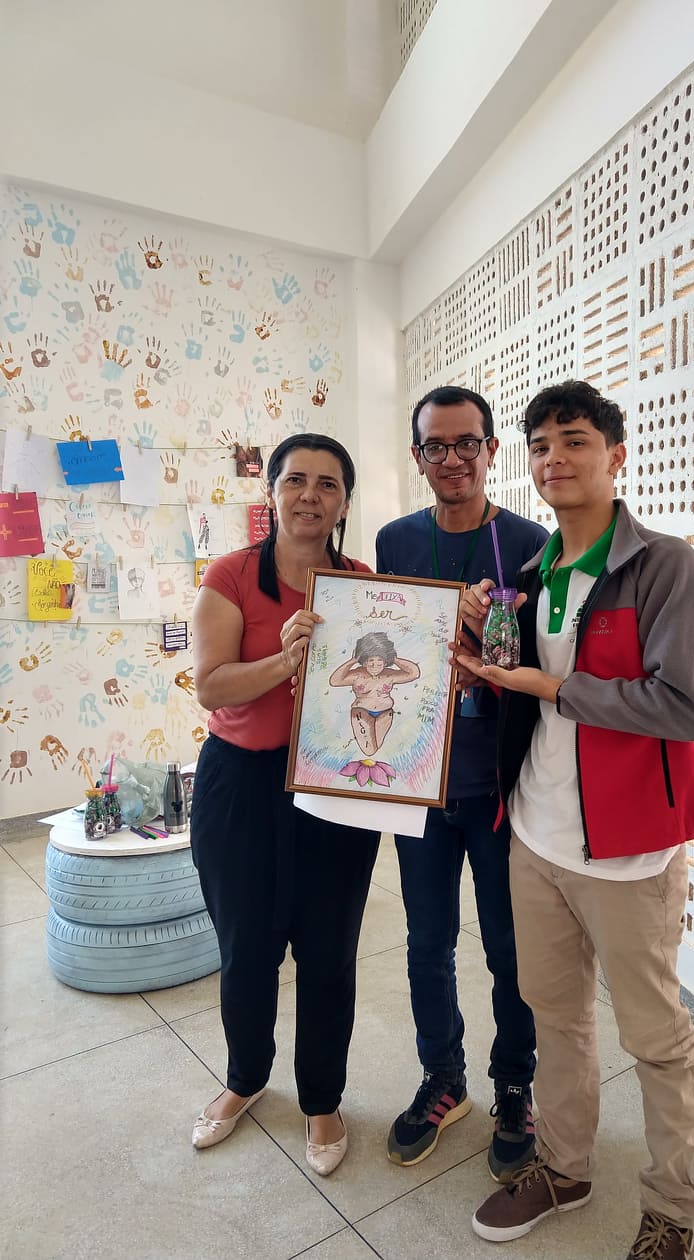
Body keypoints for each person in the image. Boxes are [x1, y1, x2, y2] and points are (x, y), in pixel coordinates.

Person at [456, 381, 694, 1260]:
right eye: (539, 445)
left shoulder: (665, 567)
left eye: (573, 440)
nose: (554, 459)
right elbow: (522, 700)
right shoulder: (534, 577)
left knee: (655, 1037)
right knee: (554, 1015)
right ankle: (565, 1168)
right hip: (536, 837)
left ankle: (671, 1206)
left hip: (631, 854)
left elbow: (685, 708)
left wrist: (554, 685)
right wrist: (480, 656)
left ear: (616, 455)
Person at [189, 433, 380, 1177]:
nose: (310, 496)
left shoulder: (363, 585)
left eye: (328, 484)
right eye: (296, 480)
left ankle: (323, 1099)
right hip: (242, 785)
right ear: (270, 492)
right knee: (247, 948)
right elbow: (211, 686)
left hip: (336, 790)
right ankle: (244, 1078)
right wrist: (284, 659)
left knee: (330, 951)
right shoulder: (232, 575)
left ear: (344, 501)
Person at [375, 386, 548, 1181]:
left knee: (511, 951)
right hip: (419, 783)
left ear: (491, 450)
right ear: (418, 457)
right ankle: (443, 1078)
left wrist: (491, 648)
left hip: (499, 787)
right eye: (436, 446)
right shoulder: (395, 541)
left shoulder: (531, 543)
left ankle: (514, 1085)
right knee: (427, 943)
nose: (452, 459)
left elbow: (545, 666)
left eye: (466, 443)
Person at [329, 630, 420, 758]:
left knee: (377, 747)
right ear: (364, 661)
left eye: (379, 661)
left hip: (385, 713)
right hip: (361, 712)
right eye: (370, 660)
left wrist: (395, 659)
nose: (375, 665)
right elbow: (334, 681)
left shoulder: (389, 674)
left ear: (385, 662)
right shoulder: (357, 675)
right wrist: (352, 661)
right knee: (369, 751)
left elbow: (414, 673)